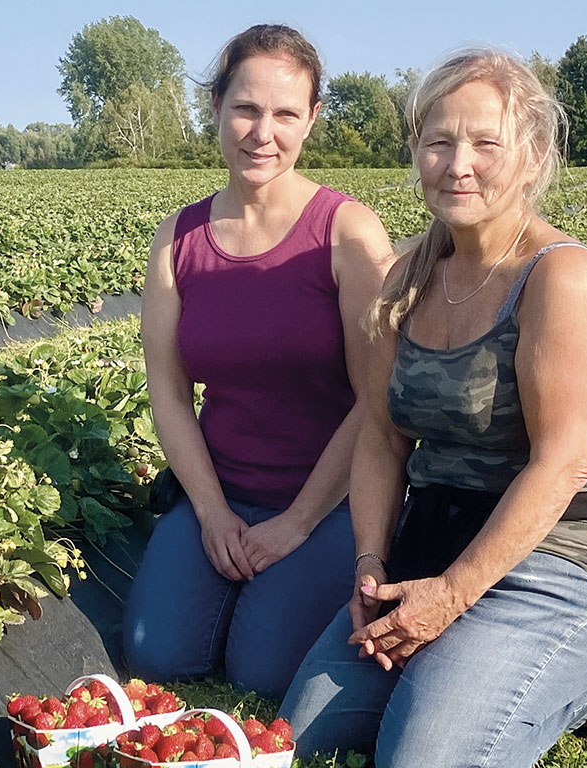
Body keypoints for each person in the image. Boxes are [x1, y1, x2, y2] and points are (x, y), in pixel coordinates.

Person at [279, 46, 587, 766]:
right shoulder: (405, 278)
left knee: (421, 757)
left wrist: (451, 597)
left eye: (486, 143)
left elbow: (563, 463)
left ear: (534, 152)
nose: (459, 164)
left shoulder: (561, 278)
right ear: (416, 150)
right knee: (301, 735)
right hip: (438, 538)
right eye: (439, 141)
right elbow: (382, 440)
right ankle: (476, 670)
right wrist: (372, 563)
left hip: (566, 549)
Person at [121, 24, 393, 701]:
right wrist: (211, 512)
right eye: (245, 108)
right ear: (215, 106)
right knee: (156, 655)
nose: (261, 132)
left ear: (312, 119)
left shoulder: (346, 232)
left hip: (329, 504)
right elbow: (169, 393)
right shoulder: (178, 239)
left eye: (284, 114)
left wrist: (299, 520)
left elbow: (377, 400)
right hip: (222, 488)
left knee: (263, 673)